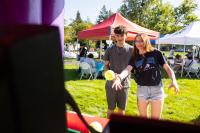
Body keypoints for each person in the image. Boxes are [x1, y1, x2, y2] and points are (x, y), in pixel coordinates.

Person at [112, 33, 179, 119]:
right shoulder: (134, 57)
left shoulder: (156, 53)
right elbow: (127, 69)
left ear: (146, 41)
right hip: (142, 90)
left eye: (141, 41)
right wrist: (119, 77)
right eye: (137, 41)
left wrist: (174, 81)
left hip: (157, 89)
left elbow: (168, 69)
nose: (139, 43)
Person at [103, 25, 133, 118]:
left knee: (121, 109)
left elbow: (131, 67)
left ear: (126, 35)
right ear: (114, 36)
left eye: (122, 35)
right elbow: (105, 67)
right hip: (110, 84)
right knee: (110, 109)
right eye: (117, 35)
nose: (119, 38)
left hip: (125, 84)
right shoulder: (109, 50)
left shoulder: (132, 50)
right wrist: (112, 78)